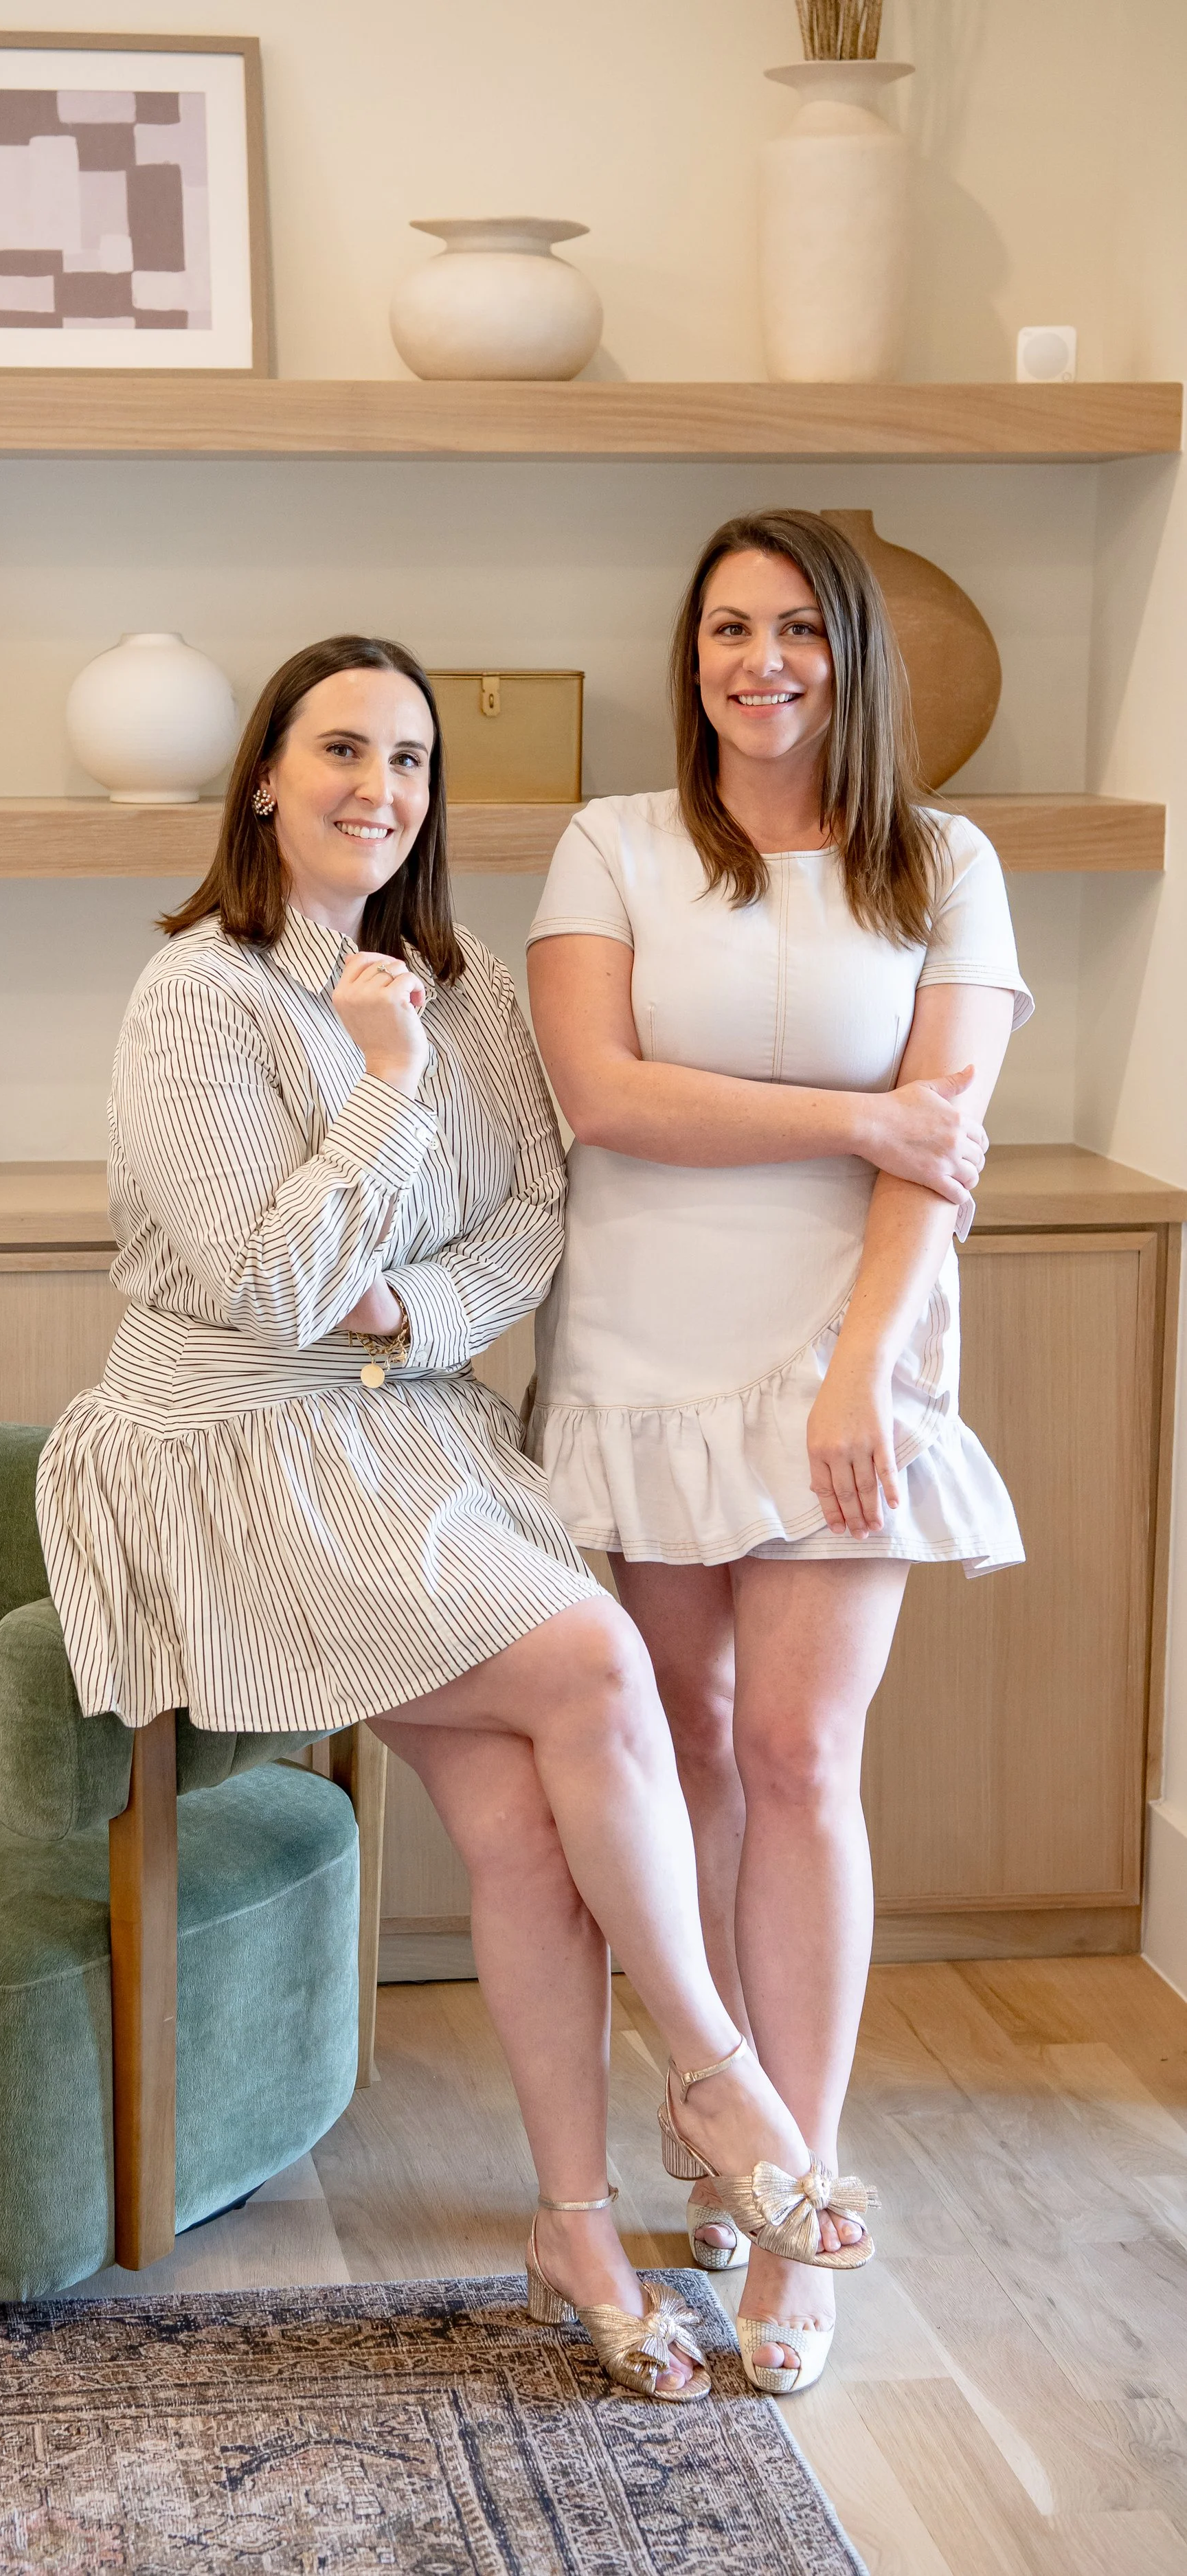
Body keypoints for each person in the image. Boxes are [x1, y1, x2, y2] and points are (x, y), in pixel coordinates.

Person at [37, 631, 874, 2402]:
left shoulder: (469, 979)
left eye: (410, 760)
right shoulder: (198, 991)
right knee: (601, 1672)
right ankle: (720, 2079)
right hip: (228, 1453)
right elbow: (262, 1287)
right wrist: (380, 1088)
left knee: (523, 1832)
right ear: (267, 776)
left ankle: (576, 2222)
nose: (380, 788)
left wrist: (405, 1311)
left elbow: (527, 1228)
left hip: (419, 1437)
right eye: (342, 750)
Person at [525, 512, 1030, 2394]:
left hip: (845, 1356)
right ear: (694, 654)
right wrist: (855, 1115)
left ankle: (804, 2187)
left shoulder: (945, 863)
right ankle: (721, 2131)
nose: (762, 662)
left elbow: (939, 1155)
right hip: (641, 1349)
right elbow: (602, 1096)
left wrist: (859, 1377)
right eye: (729, 627)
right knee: (684, 1750)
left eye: (799, 628)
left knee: (807, 1754)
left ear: (852, 656)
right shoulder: (613, 844)